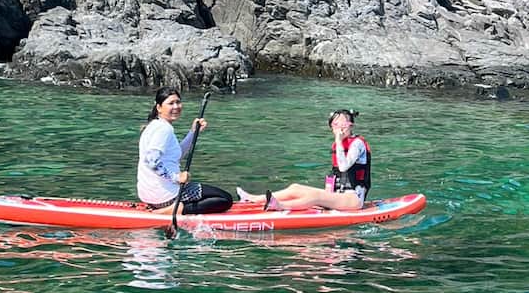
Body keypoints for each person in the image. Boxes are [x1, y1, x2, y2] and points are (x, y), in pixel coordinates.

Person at [238, 109, 371, 211]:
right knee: (295, 188)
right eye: (335, 124)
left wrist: (338, 141)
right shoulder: (339, 144)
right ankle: (253, 199)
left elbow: (343, 167)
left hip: (353, 198)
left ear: (351, 125)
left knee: (315, 197)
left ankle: (280, 205)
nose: (339, 129)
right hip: (338, 194)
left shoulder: (357, 144)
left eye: (343, 124)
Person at [137, 87, 232, 214]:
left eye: (178, 102)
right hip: (167, 196)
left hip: (149, 195)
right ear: (159, 107)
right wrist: (177, 177)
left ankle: (170, 208)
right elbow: (151, 161)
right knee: (224, 199)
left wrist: (193, 132)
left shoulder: (154, 125)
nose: (176, 106)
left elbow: (176, 155)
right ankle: (173, 210)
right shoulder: (164, 129)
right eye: (171, 103)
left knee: (216, 196)